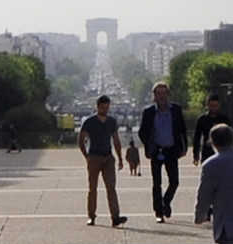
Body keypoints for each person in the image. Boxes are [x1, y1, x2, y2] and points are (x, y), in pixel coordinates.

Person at [137, 81, 188, 222]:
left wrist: (184, 147)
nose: (161, 96)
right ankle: (159, 212)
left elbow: (182, 129)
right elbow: (142, 132)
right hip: (156, 150)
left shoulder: (176, 110)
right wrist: (149, 144)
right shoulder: (148, 112)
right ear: (154, 95)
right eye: (158, 93)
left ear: (168, 95)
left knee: (174, 181)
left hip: (171, 150)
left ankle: (166, 202)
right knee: (157, 183)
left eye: (164, 93)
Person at [77, 95, 129, 226]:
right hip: (94, 157)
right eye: (102, 108)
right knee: (92, 188)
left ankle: (115, 216)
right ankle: (91, 215)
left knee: (111, 188)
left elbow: (116, 140)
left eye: (106, 108)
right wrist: (86, 156)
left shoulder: (112, 121)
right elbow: (81, 139)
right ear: (97, 106)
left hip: (108, 157)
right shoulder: (89, 121)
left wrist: (120, 157)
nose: (104, 110)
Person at [191, 94, 230, 164]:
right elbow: (197, 137)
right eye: (212, 106)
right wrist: (195, 155)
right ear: (207, 105)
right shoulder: (202, 119)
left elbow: (230, 136)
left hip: (223, 151)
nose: (214, 108)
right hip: (207, 152)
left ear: (219, 105)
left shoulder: (224, 119)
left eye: (216, 106)